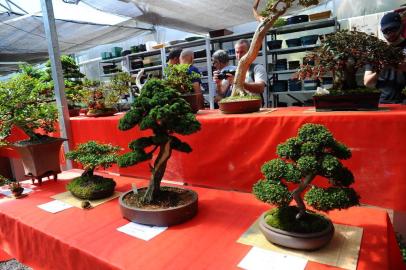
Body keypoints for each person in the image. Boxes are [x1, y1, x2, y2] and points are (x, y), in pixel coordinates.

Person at [364, 11, 406, 103]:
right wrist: (381, 69)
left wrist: (398, 66)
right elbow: (367, 82)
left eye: (393, 29)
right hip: (383, 101)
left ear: (401, 26)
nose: (390, 34)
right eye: (386, 31)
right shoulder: (376, 51)